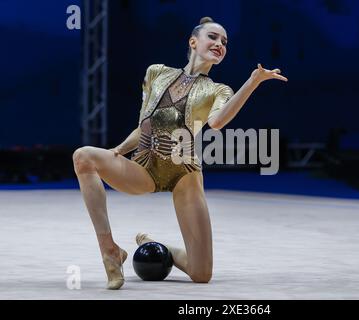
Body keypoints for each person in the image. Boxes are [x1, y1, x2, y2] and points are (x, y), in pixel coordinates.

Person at [72, 16, 288, 290]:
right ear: (193, 41)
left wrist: (253, 82)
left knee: (201, 274)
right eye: (213, 37)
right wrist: (118, 150)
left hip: (184, 175)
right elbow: (145, 125)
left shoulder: (217, 90)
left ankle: (155, 244)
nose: (220, 43)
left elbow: (218, 122)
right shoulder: (156, 73)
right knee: (84, 156)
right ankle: (110, 251)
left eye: (224, 41)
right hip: (144, 169)